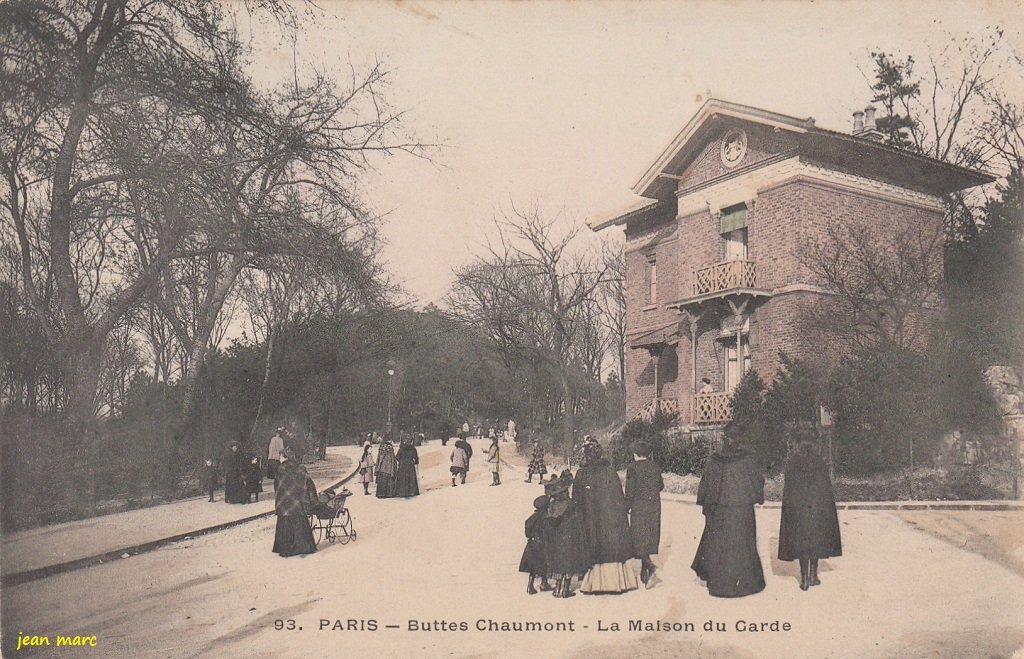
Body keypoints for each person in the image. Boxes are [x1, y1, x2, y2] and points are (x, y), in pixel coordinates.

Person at [691, 434, 766, 598]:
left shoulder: (715, 461)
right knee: (744, 545)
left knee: (721, 546)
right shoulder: (748, 460)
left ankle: (721, 583)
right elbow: (757, 481)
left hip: (721, 511)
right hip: (742, 511)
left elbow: (707, 485)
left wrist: (708, 507)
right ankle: (747, 583)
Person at [572, 442, 637, 594]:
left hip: (591, 519)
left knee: (595, 547)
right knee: (611, 547)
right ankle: (616, 582)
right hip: (610, 518)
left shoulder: (582, 474)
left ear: (587, 456)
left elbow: (576, 500)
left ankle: (594, 583)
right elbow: (619, 497)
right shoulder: (610, 471)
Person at [779, 435, 842, 591]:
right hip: (816, 509)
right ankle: (814, 575)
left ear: (799, 443)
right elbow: (826, 490)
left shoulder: (793, 462)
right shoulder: (819, 462)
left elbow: (788, 490)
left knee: (802, 544)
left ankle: (804, 578)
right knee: (815, 542)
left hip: (799, 510)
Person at [624, 440, 664, 587]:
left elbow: (630, 491)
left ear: (635, 454)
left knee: (638, 537)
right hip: (653, 506)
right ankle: (645, 571)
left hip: (639, 506)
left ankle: (648, 566)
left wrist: (626, 507)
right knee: (649, 535)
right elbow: (661, 485)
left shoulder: (632, 469)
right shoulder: (655, 467)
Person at [546, 472, 587, 598]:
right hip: (569, 538)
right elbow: (577, 520)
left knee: (558, 562)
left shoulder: (552, 505)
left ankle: (557, 588)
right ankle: (566, 589)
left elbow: (550, 521)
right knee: (569, 561)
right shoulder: (571, 504)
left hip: (557, 538)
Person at [272, 448, 317, 557]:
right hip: (297, 503)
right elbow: (309, 483)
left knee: (285, 525)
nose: (279, 458)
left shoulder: (280, 469)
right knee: (299, 523)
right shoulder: (300, 468)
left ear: (284, 456)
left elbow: (276, 487)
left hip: (284, 504)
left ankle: (286, 549)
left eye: (280, 456)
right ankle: (303, 547)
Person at [519, 495, 553, 594]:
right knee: (544, 564)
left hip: (532, 544)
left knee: (533, 566)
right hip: (543, 544)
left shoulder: (531, 518)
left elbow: (527, 533)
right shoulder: (545, 519)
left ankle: (530, 585)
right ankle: (544, 583)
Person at [375, 434, 397, 498]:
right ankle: (389, 494)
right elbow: (392, 457)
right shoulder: (390, 446)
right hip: (389, 466)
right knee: (389, 481)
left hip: (381, 467)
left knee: (382, 481)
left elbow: (379, 457)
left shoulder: (381, 446)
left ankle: (381, 494)